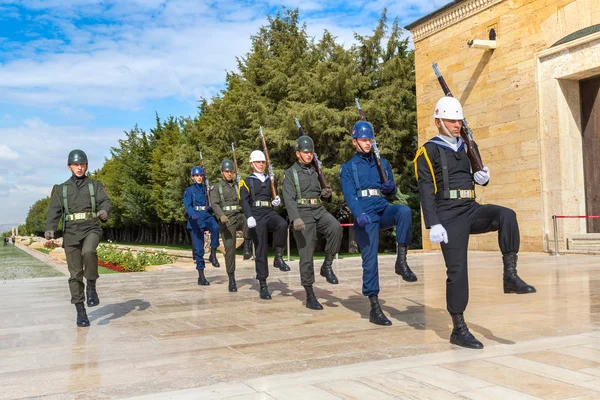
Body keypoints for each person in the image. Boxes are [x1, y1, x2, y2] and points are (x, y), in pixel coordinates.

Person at [415, 96, 536, 350]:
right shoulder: (428, 150)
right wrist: (433, 223)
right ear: (438, 122)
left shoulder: (467, 144)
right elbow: (426, 189)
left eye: (458, 120)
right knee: (457, 271)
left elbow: (477, 175)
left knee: (507, 215)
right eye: (451, 120)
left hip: (470, 208)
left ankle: (510, 275)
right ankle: (458, 329)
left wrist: (481, 178)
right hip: (447, 214)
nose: (456, 125)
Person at [339, 121, 415, 326]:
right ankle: (374, 307)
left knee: (403, 211)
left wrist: (391, 187)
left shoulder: (382, 163)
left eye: (370, 140)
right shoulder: (348, 167)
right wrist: (358, 213)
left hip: (381, 207)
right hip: (364, 212)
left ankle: (401, 261)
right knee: (370, 259)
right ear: (355, 142)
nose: (367, 144)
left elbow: (390, 192)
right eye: (363, 140)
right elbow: (349, 196)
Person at [45, 149, 110, 327]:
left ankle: (91, 285)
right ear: (69, 167)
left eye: (82, 164)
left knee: (89, 251)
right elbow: (54, 211)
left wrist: (104, 211)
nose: (79, 168)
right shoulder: (61, 189)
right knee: (75, 275)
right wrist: (50, 229)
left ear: (86, 165)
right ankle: (81, 311)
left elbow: (104, 201)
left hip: (91, 228)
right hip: (71, 232)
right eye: (76, 165)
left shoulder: (95, 185)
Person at [282, 136, 342, 310]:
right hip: (302, 213)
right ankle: (309, 294)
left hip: (318, 209)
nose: (309, 155)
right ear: (298, 153)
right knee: (306, 254)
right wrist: (295, 218)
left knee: (335, 228)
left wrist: (327, 194)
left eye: (310, 152)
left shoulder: (316, 171)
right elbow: (288, 198)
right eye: (305, 152)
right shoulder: (290, 173)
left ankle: (327, 266)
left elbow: (325, 196)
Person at [239, 150, 290, 300]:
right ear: (251, 164)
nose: (261, 165)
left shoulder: (270, 180)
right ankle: (263, 284)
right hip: (255, 214)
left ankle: (278, 257)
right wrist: (249, 217)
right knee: (261, 248)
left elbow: (274, 196)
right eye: (258, 162)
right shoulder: (246, 181)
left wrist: (276, 201)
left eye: (263, 162)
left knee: (282, 224)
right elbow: (244, 201)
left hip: (268, 211)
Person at [210, 159, 247, 292]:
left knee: (249, 220)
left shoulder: (238, 184)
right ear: (222, 172)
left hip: (239, 214)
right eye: (227, 171)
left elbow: (245, 200)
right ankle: (231, 279)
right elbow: (214, 204)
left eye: (231, 171)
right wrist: (220, 215)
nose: (229, 174)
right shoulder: (217, 187)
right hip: (227, 219)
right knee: (230, 249)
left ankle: (247, 246)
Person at [183, 166, 220, 286]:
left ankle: (213, 254)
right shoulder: (189, 190)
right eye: (197, 176)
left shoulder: (206, 189)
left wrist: (211, 207)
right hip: (195, 218)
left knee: (215, 227)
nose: (199, 178)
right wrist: (192, 214)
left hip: (206, 215)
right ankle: (201, 276)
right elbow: (187, 205)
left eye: (200, 176)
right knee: (199, 249)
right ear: (193, 177)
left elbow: (212, 201)